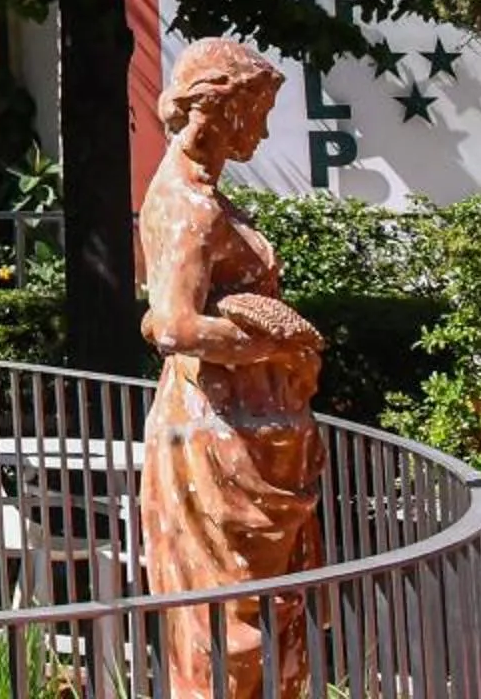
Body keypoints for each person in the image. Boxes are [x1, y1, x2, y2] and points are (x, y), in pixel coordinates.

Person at [140, 40, 326, 699]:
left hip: (244, 428)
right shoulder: (189, 202)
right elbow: (174, 326)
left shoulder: (202, 192)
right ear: (220, 106)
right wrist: (279, 343)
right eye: (259, 110)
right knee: (231, 625)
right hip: (217, 435)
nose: (266, 129)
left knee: (258, 615)